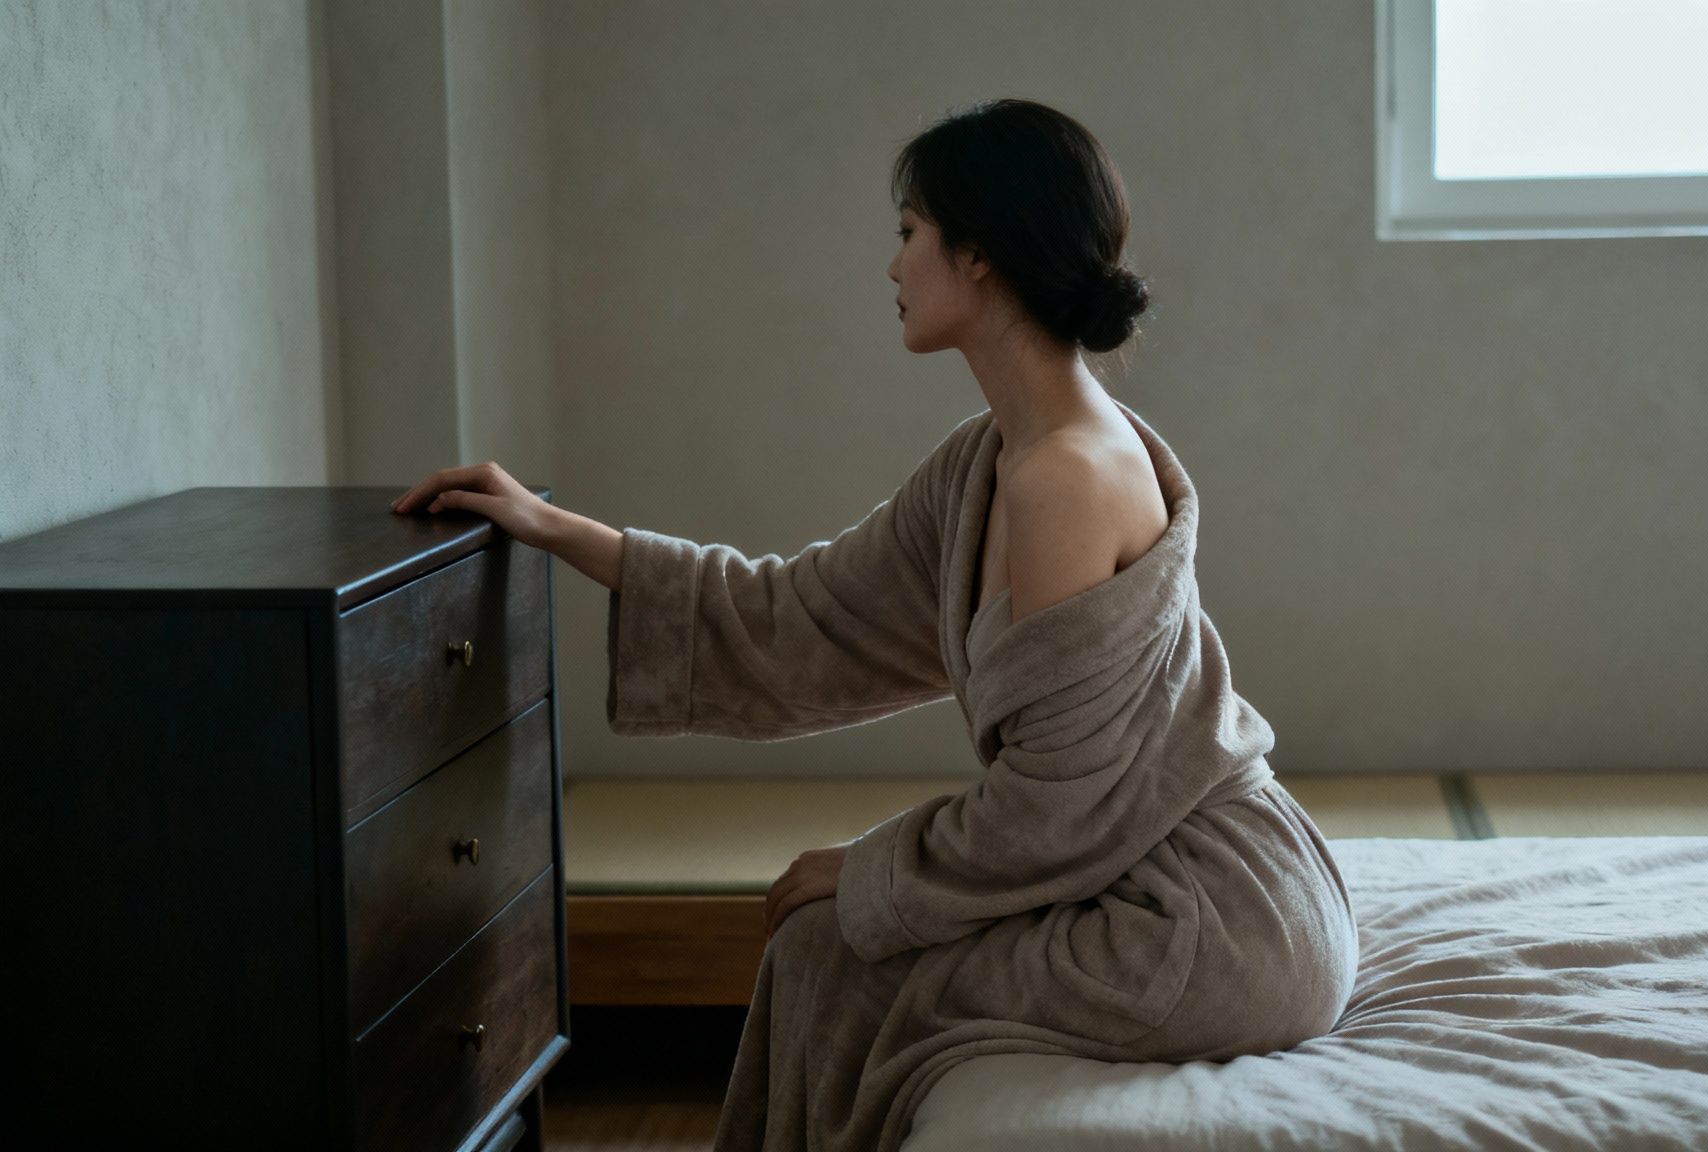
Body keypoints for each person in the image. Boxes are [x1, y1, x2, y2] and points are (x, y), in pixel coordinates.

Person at [394, 97, 1356, 1152]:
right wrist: (556, 529)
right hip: (1135, 879)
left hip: (1204, 924)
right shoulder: (985, 463)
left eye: (908, 232)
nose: (892, 265)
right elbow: (799, 616)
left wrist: (868, 868)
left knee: (829, 948)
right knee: (823, 941)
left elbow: (1057, 804)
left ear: (977, 254)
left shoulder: (1067, 478)